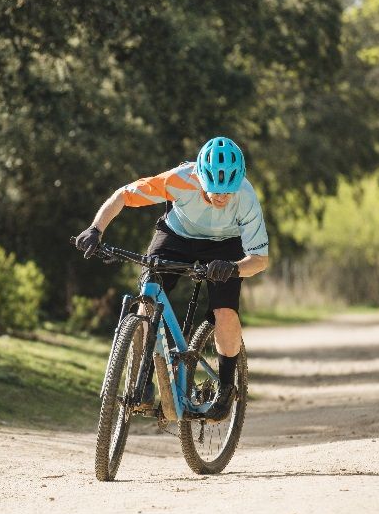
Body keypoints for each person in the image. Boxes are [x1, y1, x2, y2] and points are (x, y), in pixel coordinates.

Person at [73, 136, 269, 421]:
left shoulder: (246, 197)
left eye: (228, 191)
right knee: (147, 299)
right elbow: (124, 196)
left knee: (225, 312)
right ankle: (142, 381)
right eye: (214, 189)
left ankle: (226, 388)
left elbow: (260, 260)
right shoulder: (179, 179)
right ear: (199, 175)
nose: (221, 197)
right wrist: (95, 229)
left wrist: (235, 268)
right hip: (177, 237)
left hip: (226, 245)